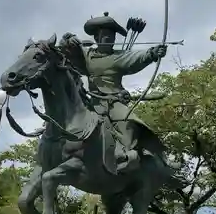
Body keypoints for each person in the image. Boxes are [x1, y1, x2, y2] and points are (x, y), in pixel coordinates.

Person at [59, 12, 167, 173]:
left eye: (111, 36)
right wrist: (68, 39)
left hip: (114, 101)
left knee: (128, 119)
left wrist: (152, 53)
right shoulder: (87, 54)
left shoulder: (119, 56)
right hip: (92, 102)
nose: (108, 38)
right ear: (96, 37)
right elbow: (69, 52)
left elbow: (136, 58)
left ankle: (126, 155)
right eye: (104, 35)